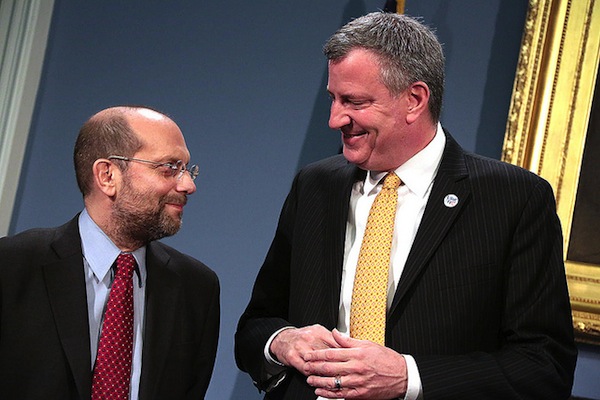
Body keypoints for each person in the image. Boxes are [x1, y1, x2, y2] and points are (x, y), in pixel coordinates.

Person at [235, 12, 577, 400]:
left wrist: (408, 376)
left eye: (354, 101)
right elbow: (254, 326)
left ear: (414, 100)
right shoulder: (315, 185)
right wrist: (281, 340)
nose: (334, 119)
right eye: (333, 98)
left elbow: (544, 366)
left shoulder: (514, 199)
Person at [0, 106, 220, 399]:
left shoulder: (196, 289)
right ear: (107, 175)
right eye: (169, 168)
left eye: (187, 169)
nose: (188, 185)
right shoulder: (11, 267)